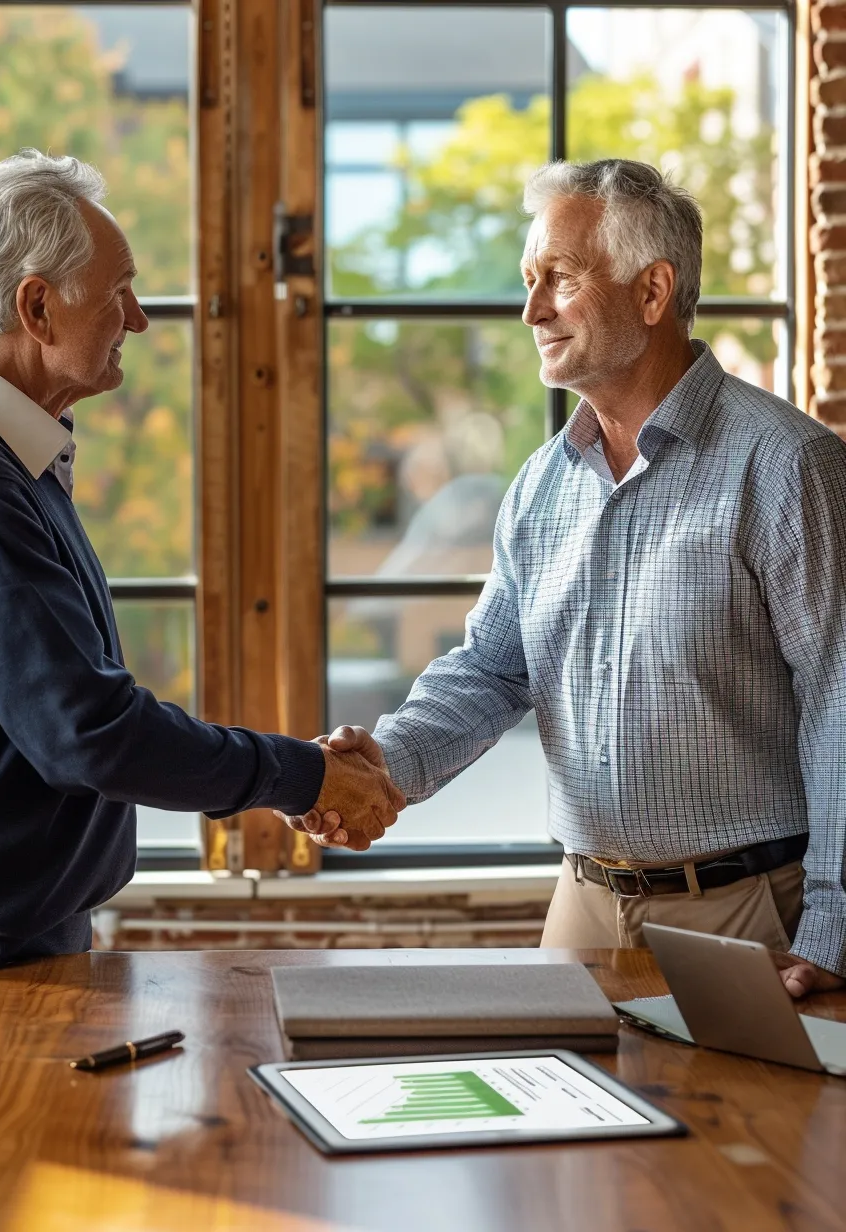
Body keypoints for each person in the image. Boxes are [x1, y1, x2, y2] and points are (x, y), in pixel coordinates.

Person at [282, 158, 846, 1002]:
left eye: (561, 278)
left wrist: (835, 926)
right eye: (528, 281)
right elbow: (491, 670)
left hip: (746, 913)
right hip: (582, 907)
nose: (532, 311)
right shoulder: (541, 484)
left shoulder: (789, 465)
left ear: (652, 291)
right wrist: (384, 762)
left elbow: (842, 702)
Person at [0, 150, 402, 1117]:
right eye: (118, 293)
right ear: (37, 307)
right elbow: (90, 731)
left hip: (17, 944)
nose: (138, 319)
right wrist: (303, 776)